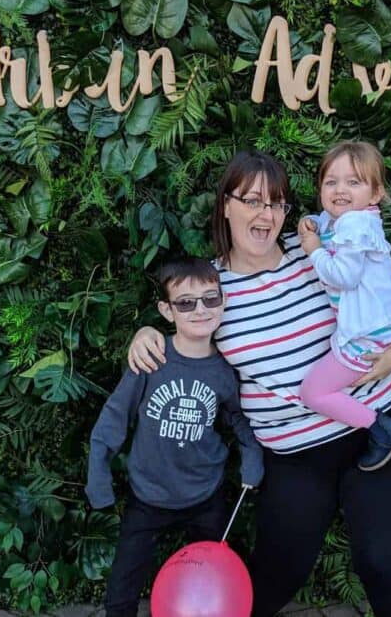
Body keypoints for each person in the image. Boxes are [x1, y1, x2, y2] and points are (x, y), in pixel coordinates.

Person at [127, 150, 391, 617]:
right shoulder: (213, 285)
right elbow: (186, 330)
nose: (265, 214)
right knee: (273, 574)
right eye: (251, 200)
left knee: (382, 565)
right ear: (225, 206)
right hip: (296, 455)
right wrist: (149, 334)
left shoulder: (318, 252)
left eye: (277, 203)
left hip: (379, 430)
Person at [85, 256, 264, 617]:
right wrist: (98, 478)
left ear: (223, 301)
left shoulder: (225, 372)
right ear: (167, 311)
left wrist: (252, 458)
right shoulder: (151, 359)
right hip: (148, 495)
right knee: (124, 583)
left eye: (210, 299)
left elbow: (238, 420)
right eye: (186, 302)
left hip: (204, 494)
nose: (200, 310)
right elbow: (115, 417)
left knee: (214, 578)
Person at [297, 141, 391, 471]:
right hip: (380, 325)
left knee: (314, 392)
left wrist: (312, 248)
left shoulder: (355, 227)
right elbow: (329, 223)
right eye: (331, 182)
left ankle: (382, 429)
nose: (340, 190)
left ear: (376, 192)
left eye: (354, 182)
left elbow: (344, 276)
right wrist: (312, 222)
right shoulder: (355, 219)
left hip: (367, 338)